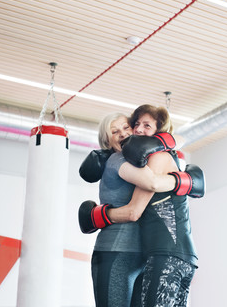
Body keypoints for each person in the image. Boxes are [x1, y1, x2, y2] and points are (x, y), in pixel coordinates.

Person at [79, 107, 204, 307]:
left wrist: (162, 144)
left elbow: (176, 138)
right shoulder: (117, 159)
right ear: (107, 140)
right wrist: (183, 182)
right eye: (114, 131)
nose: (123, 133)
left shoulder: (142, 159)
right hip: (117, 251)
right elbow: (150, 185)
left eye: (126, 127)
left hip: (144, 254)